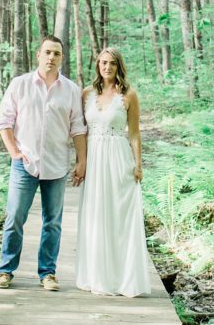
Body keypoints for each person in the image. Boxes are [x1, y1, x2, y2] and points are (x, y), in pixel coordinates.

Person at [0, 36, 87, 292]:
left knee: (53, 222)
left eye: (56, 53)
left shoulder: (71, 89)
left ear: (61, 58)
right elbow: (5, 121)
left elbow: (78, 127)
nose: (51, 57)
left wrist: (82, 160)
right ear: (38, 54)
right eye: (47, 52)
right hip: (25, 163)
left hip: (57, 165)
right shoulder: (20, 84)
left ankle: (48, 273)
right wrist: (14, 152)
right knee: (15, 217)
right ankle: (5, 271)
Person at [75, 47, 151, 297]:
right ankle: (98, 276)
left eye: (112, 64)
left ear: (119, 67)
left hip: (118, 158)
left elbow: (135, 133)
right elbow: (80, 132)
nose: (107, 67)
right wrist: (81, 162)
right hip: (95, 160)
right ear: (97, 65)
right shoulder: (86, 93)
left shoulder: (129, 95)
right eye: (103, 63)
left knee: (120, 216)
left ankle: (124, 278)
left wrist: (138, 165)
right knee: (96, 215)